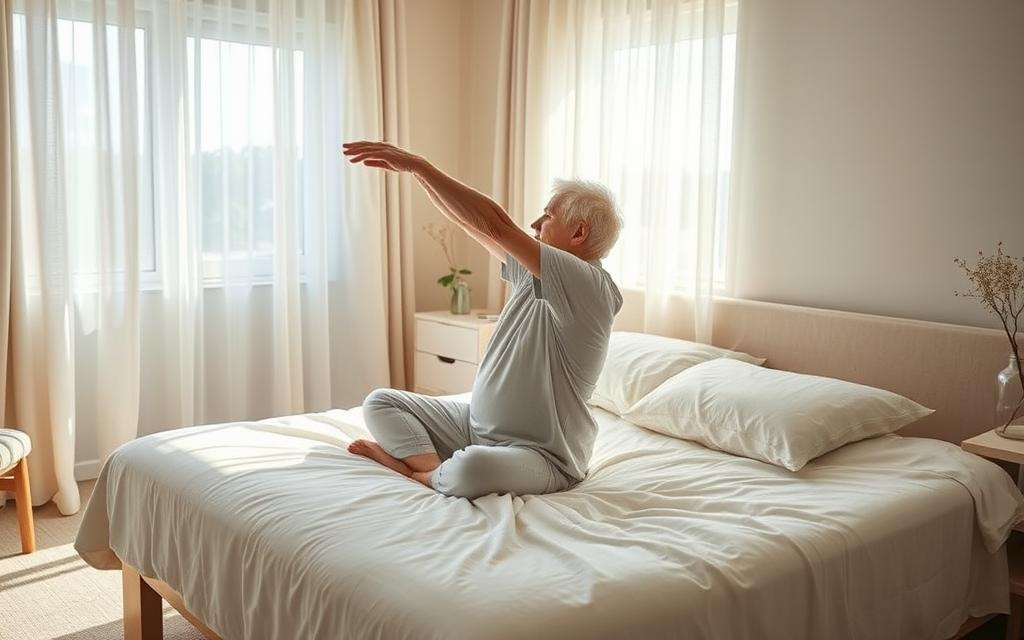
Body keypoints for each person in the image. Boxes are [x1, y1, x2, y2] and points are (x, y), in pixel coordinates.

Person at [343, 141, 623, 499]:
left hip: (542, 456)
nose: (535, 224)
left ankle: (424, 474)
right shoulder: (533, 273)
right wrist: (418, 176)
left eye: (548, 216)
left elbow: (496, 225)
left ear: (579, 233)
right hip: (473, 425)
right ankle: (431, 470)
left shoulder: (589, 286)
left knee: (474, 466)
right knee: (381, 401)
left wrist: (419, 165)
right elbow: (472, 223)